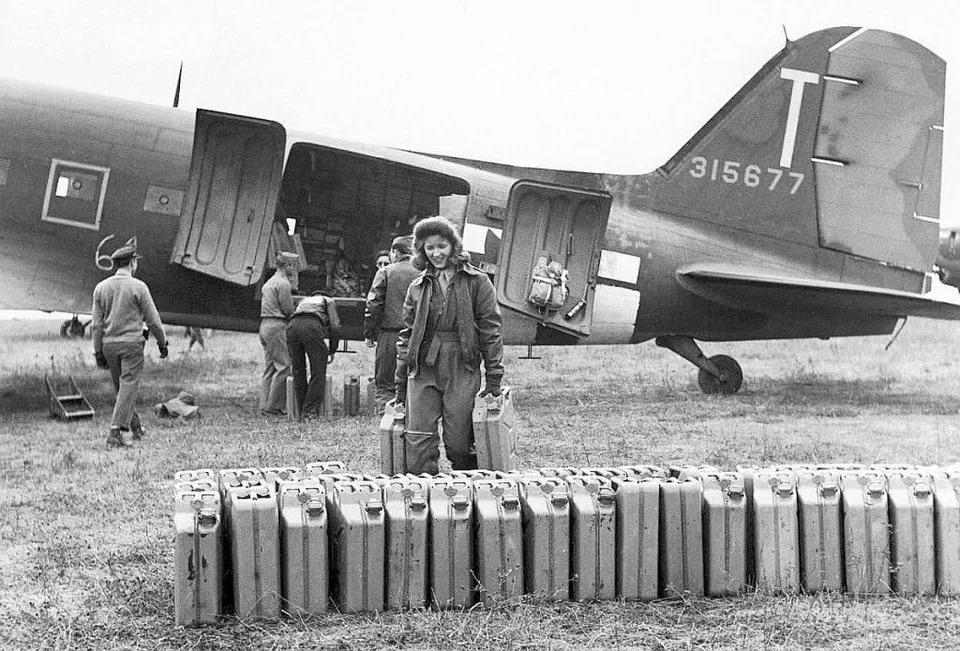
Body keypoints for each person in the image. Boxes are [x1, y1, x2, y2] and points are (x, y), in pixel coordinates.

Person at [395, 217, 504, 474]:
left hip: (461, 364)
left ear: (453, 246)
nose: (436, 253)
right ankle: (424, 500)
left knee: (459, 442)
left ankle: (466, 493)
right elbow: (406, 335)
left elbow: (491, 330)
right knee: (418, 441)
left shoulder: (477, 282)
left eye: (441, 246)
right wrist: (400, 384)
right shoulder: (417, 287)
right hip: (422, 367)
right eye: (429, 248)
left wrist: (494, 378)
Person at [91, 239, 168, 448]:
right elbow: (153, 320)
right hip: (132, 345)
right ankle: (115, 433)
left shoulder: (100, 288)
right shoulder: (139, 287)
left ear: (116, 264)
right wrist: (162, 343)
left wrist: (98, 352)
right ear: (132, 263)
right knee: (128, 386)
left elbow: (96, 326)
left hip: (109, 345)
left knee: (122, 388)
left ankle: (136, 427)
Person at [364, 236, 418, 411]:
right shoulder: (424, 273)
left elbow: (373, 305)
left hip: (389, 335)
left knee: (386, 384)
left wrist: (369, 333)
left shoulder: (386, 271)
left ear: (395, 252)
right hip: (416, 336)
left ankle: (387, 424)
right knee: (414, 383)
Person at [287, 291, 341, 418]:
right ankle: (309, 411)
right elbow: (335, 326)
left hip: (292, 327)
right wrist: (332, 350)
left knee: (298, 370)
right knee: (318, 370)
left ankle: (301, 409)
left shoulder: (304, 300)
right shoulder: (328, 300)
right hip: (311, 326)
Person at [259, 252, 297, 415]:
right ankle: (273, 407)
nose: (294, 269)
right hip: (276, 326)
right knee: (284, 366)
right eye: (293, 265)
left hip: (265, 325)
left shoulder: (270, 282)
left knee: (270, 367)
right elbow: (288, 310)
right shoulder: (283, 283)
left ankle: (264, 404)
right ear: (287, 266)